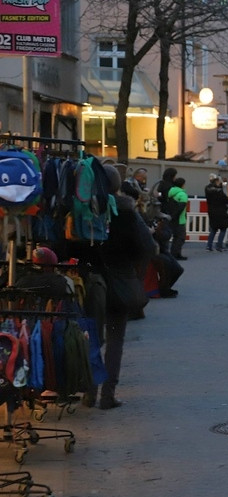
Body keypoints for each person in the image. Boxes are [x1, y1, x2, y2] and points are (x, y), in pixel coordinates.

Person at [85, 164, 155, 410]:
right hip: (120, 282)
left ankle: (88, 393)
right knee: (115, 341)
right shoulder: (126, 212)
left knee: (92, 339)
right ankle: (108, 395)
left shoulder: (84, 208)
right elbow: (147, 247)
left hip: (90, 282)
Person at [204, 173, 228, 253]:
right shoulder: (219, 191)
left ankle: (209, 246)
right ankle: (219, 246)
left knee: (213, 228)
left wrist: (223, 184)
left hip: (211, 211)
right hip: (221, 211)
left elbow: (219, 187)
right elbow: (226, 199)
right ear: (216, 181)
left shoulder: (207, 188)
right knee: (223, 228)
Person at [166, 176, 189, 260]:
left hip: (172, 218)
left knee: (175, 237)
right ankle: (176, 254)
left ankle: (174, 253)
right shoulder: (182, 194)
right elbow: (181, 208)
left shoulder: (171, 192)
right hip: (180, 219)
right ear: (182, 185)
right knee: (180, 238)